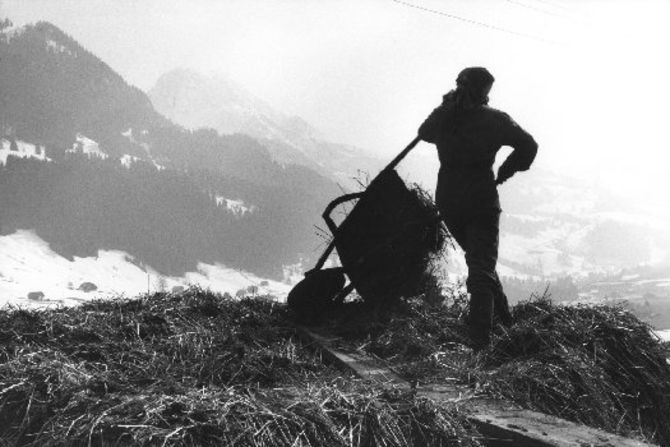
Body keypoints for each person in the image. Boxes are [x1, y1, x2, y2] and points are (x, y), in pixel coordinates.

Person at [418, 67, 538, 349]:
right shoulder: (495, 120)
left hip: (450, 199)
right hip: (480, 199)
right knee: (482, 265)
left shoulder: (446, 119)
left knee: (480, 262)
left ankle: (505, 323)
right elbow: (529, 145)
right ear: (485, 92)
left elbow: (424, 133)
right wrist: (508, 169)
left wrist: (443, 107)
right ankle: (481, 342)